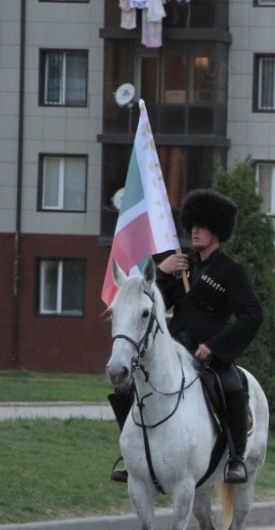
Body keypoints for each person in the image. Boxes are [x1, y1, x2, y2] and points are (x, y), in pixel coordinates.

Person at [111, 189, 264, 484]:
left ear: (217, 231)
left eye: (202, 226)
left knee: (233, 388)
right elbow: (151, 304)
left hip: (209, 353)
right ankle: (132, 458)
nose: (194, 231)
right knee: (128, 387)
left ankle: (235, 459)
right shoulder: (181, 265)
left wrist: (215, 347)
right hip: (173, 349)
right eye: (192, 225)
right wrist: (161, 272)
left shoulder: (231, 271)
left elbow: (252, 315)